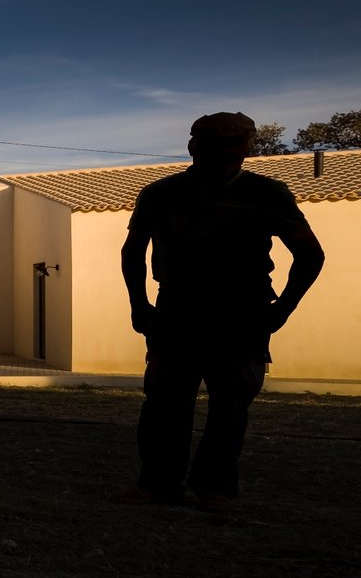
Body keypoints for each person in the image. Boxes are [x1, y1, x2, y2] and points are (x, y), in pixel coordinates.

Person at [118, 111, 325, 512]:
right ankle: (158, 485)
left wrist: (282, 307)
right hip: (177, 310)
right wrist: (139, 303)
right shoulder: (160, 194)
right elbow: (133, 252)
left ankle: (214, 489)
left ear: (246, 149)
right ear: (194, 147)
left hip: (242, 313)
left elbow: (310, 255)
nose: (228, 157)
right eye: (217, 149)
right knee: (163, 404)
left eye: (236, 149)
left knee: (229, 407)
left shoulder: (268, 194)